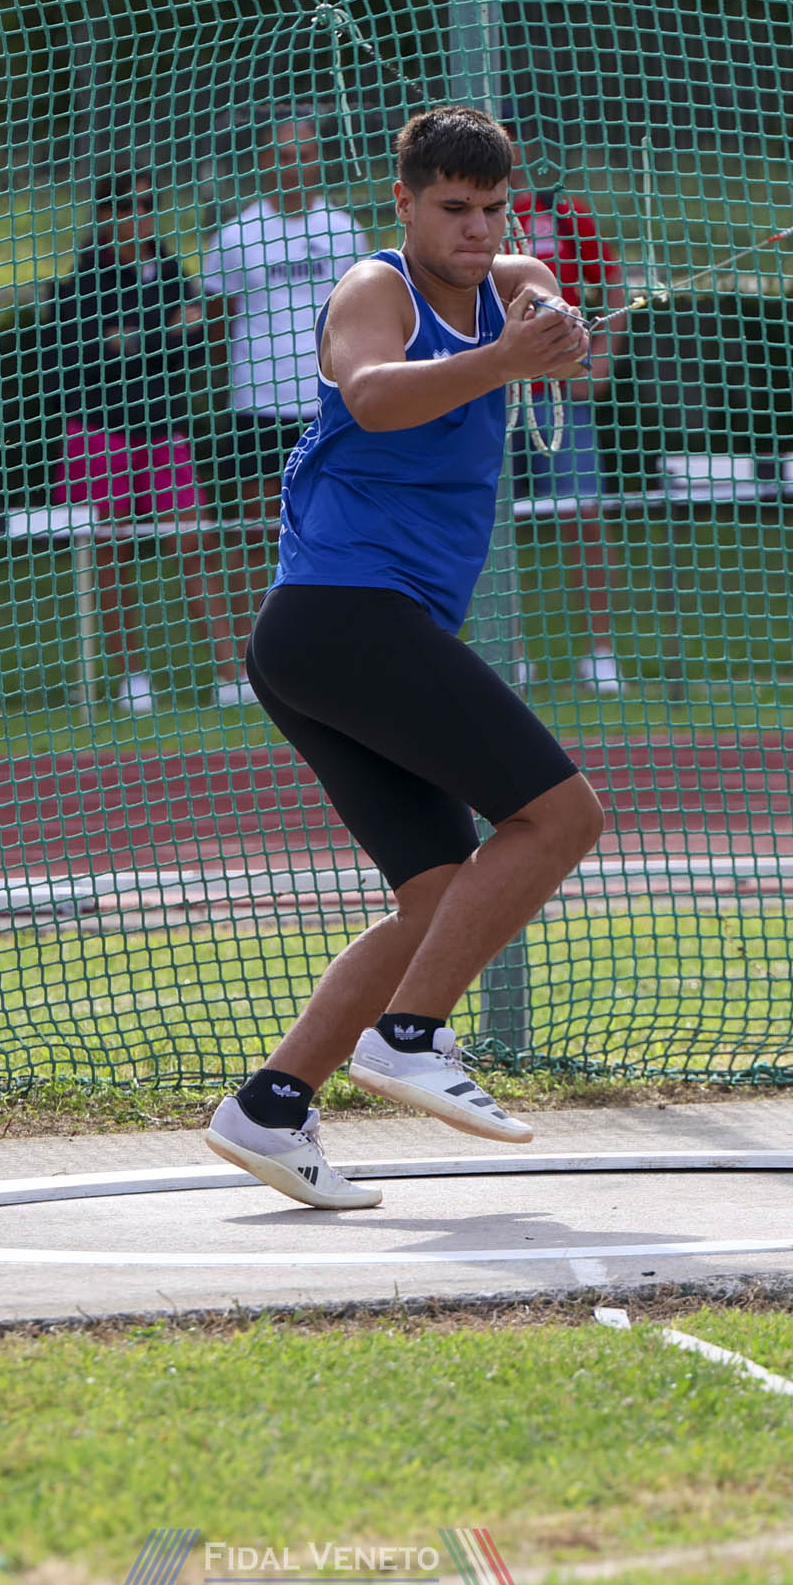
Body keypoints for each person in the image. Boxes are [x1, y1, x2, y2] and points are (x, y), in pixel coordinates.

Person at [200, 106, 603, 1209]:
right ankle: (411, 1035)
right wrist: (506, 355)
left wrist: (557, 334)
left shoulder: (509, 281)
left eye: (492, 209)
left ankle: (270, 1105)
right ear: (406, 204)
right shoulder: (373, 287)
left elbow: (558, 330)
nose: (476, 230)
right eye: (453, 209)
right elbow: (372, 396)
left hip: (347, 635)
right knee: (561, 819)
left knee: (434, 898)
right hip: (340, 618)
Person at [195, 116, 372, 706]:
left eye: (303, 154)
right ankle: (258, 664)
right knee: (259, 534)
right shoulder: (236, 235)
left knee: (333, 531)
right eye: (281, 155)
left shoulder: (344, 231)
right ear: (264, 163)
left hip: (329, 405)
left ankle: (331, 655)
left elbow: (363, 314)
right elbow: (216, 320)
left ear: (319, 161)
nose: (293, 166)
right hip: (258, 405)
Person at [45, 170, 219, 714]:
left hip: (164, 430)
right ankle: (130, 678)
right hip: (98, 434)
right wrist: (161, 333)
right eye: (124, 207)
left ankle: (234, 670)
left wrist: (143, 338)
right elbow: (85, 356)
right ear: (103, 217)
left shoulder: (170, 272)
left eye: (146, 205)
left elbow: (192, 342)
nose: (136, 217)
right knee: (110, 554)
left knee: (193, 543)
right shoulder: (80, 284)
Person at [504, 102, 626, 695]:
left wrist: (600, 358)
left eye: (508, 138)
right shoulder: (463, 221)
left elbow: (615, 285)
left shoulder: (561, 211)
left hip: (559, 394)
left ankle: (600, 653)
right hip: (491, 394)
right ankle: (508, 652)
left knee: (584, 515)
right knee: (488, 520)